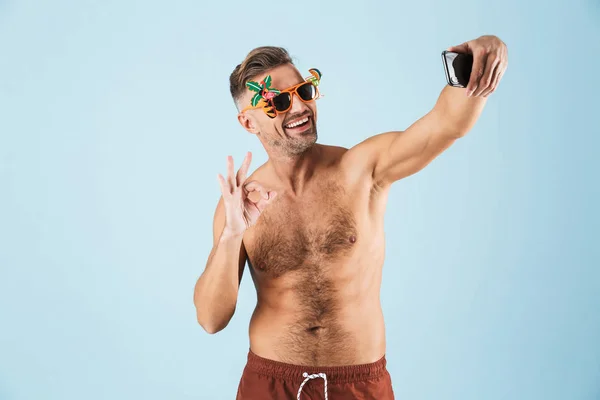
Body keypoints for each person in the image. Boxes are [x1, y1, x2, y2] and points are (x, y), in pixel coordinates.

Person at [193, 35, 508, 399]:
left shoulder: (360, 170)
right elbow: (210, 318)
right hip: (269, 384)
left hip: (359, 385)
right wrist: (232, 235)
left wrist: (476, 60)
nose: (298, 107)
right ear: (248, 124)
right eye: (278, 101)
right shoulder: (240, 206)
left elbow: (446, 125)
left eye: (304, 92)